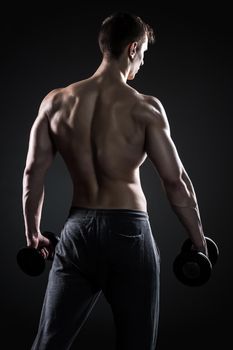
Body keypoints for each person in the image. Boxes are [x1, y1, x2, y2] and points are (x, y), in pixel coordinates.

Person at [22, 12, 208, 350]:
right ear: (133, 48)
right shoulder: (145, 108)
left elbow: (32, 172)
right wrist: (198, 242)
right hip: (130, 234)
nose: (142, 63)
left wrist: (33, 232)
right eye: (144, 54)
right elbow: (176, 181)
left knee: (48, 343)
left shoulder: (56, 101)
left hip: (77, 233)